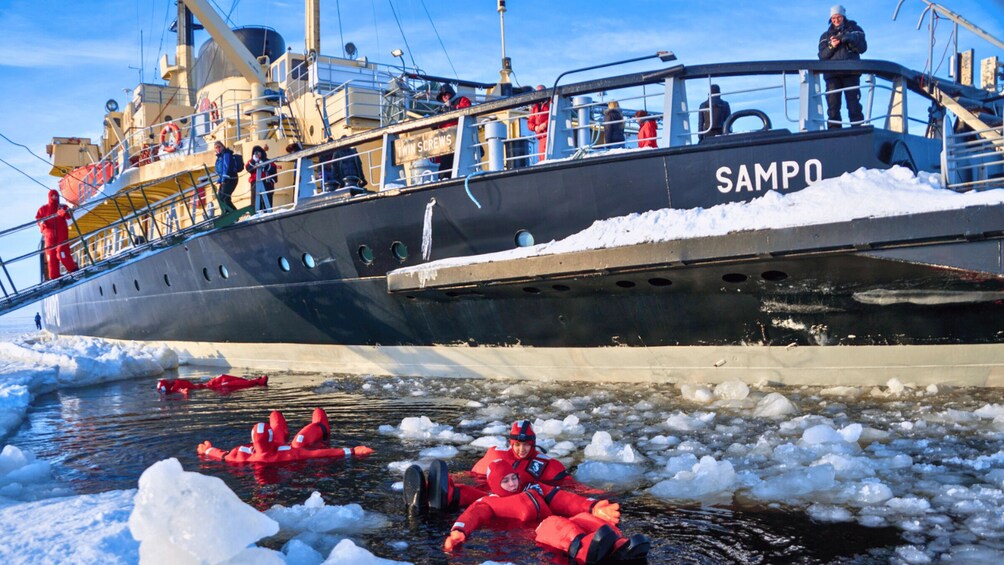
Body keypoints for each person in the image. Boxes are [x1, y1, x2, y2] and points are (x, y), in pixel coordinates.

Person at [442, 460, 649, 564]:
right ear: (495, 484)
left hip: (557, 522)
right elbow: (471, 516)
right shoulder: (488, 502)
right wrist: (459, 531)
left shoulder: (534, 487)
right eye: (505, 481)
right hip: (537, 534)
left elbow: (563, 499)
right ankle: (586, 550)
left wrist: (592, 506)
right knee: (556, 525)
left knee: (583, 519)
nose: (512, 483)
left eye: (513, 477)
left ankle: (619, 544)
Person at [405, 420, 599, 512]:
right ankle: (428, 491)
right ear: (511, 443)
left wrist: (597, 495)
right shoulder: (497, 456)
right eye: (518, 445)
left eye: (526, 445)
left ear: (533, 443)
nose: (522, 449)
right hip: (489, 494)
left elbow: (569, 485)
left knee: (468, 498)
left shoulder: (548, 465)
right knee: (464, 491)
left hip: (516, 500)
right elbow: (473, 474)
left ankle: (442, 497)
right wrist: (454, 477)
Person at [197, 408, 374, 464]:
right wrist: (352, 450)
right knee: (300, 440)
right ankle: (323, 429)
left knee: (275, 415)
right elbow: (319, 454)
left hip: (266, 451)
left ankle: (279, 425)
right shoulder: (288, 453)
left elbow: (222, 455)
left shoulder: (240, 455)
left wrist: (207, 450)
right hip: (284, 451)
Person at [818, 4, 867, 128]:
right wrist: (832, 46)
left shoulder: (856, 30)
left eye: (838, 17)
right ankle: (834, 132)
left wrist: (850, 38)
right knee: (833, 106)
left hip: (851, 73)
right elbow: (822, 56)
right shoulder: (825, 36)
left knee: (854, 105)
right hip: (832, 75)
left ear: (843, 16)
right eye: (833, 18)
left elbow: (863, 48)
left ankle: (857, 129)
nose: (836, 20)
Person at [36, 189, 79, 280]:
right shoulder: (43, 209)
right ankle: (54, 276)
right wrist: (42, 224)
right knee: (51, 257)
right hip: (49, 237)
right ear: (49, 197)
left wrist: (64, 212)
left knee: (62, 252)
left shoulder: (62, 207)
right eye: (53, 196)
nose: (54, 198)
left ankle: (73, 269)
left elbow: (68, 216)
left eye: (56, 196)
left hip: (61, 235)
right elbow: (38, 219)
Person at [434, 84, 472, 179]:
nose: (445, 97)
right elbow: (436, 127)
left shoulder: (461, 100)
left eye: (447, 94)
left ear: (451, 93)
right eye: (443, 96)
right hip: (446, 143)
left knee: (460, 162)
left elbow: (467, 109)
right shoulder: (441, 110)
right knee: (444, 169)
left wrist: (454, 109)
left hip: (460, 138)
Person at [156, 374, 268, 395]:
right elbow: (182, 390)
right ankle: (257, 382)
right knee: (229, 384)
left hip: (206, 385)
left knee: (224, 377)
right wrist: (184, 392)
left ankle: (253, 380)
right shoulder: (175, 387)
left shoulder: (174, 385)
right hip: (209, 388)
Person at [245, 145, 276, 211]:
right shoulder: (251, 162)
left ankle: (267, 213)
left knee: (267, 201)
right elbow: (248, 168)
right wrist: (254, 161)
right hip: (255, 183)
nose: (257, 154)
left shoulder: (268, 161)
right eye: (255, 152)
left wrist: (264, 164)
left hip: (266, 183)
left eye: (258, 152)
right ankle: (255, 213)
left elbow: (273, 169)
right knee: (255, 201)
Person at [213, 141, 238, 212]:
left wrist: (223, 179)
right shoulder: (219, 157)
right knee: (220, 197)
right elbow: (220, 170)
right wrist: (220, 180)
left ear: (223, 146)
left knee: (225, 197)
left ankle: (234, 213)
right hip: (224, 179)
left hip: (230, 178)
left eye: (219, 147)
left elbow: (226, 167)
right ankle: (227, 212)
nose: (218, 149)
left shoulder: (226, 154)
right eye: (216, 148)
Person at [528, 85, 551, 160]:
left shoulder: (550, 104)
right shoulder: (535, 108)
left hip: (549, 136)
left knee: (547, 156)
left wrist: (545, 124)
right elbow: (529, 123)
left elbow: (554, 116)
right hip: (541, 138)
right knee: (542, 158)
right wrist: (535, 127)